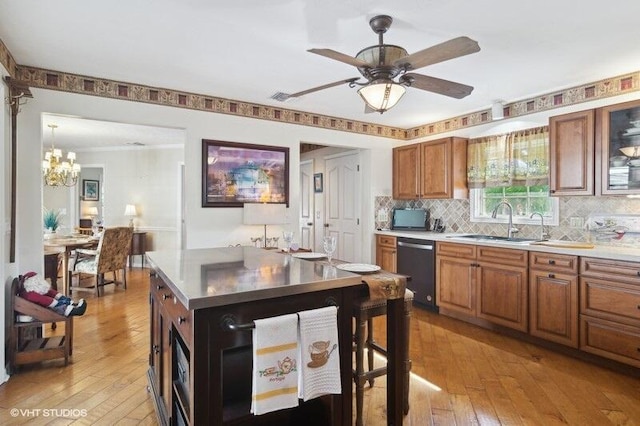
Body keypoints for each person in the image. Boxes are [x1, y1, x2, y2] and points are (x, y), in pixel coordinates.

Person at [19, 271, 87, 317]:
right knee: (58, 308)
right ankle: (76, 310)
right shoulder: (30, 294)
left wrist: (62, 298)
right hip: (41, 309)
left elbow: (50, 292)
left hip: (42, 306)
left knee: (58, 304)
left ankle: (72, 305)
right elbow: (44, 300)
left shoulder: (36, 290)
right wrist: (57, 302)